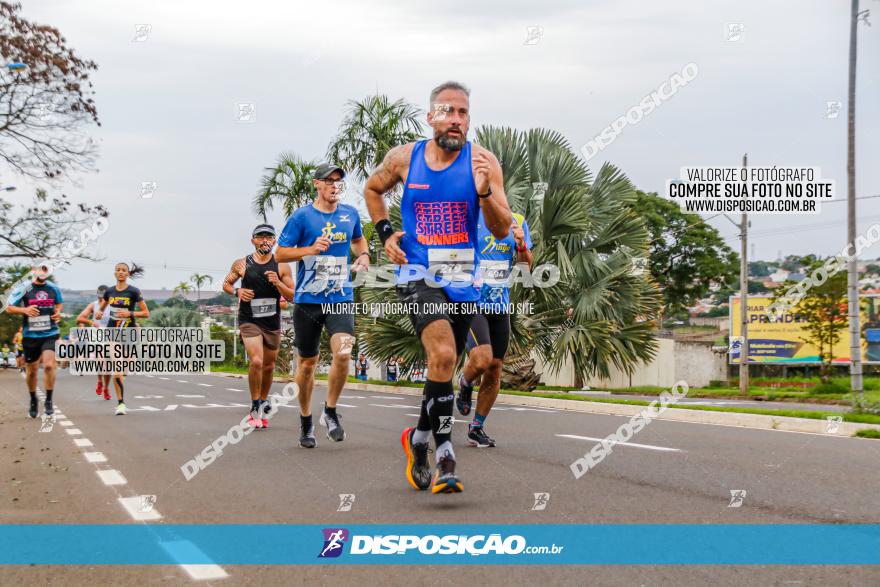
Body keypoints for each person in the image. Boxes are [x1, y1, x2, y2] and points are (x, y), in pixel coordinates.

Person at [363, 81, 512, 494]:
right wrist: (386, 233)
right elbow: (372, 190)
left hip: (463, 278)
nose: (456, 120)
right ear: (430, 117)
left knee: (443, 367)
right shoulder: (404, 159)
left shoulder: (484, 163)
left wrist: (484, 194)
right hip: (418, 274)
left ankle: (420, 439)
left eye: (464, 113)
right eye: (448, 111)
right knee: (445, 353)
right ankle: (445, 451)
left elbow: (501, 230)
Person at [276, 162, 369, 448]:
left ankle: (330, 411)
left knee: (343, 353)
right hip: (308, 300)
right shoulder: (302, 217)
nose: (334, 185)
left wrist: (364, 255)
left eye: (338, 181)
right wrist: (310, 249)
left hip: (340, 297)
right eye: (328, 180)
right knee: (307, 364)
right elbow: (280, 254)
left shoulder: (349, 214)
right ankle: (306, 420)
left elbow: (358, 240)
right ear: (317, 184)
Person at [456, 212, 533, 447]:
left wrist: (521, 245)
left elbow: (526, 267)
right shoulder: (467, 215)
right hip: (473, 301)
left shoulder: (517, 221)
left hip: (500, 305)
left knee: (495, 367)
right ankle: (465, 383)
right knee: (480, 359)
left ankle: (476, 428)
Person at [223, 224, 294, 429]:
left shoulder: (281, 265)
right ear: (253, 240)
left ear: (274, 241)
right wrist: (237, 292)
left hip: (271, 322)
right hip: (249, 319)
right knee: (256, 361)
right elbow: (226, 284)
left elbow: (292, 295)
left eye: (269, 237)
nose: (265, 241)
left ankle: (263, 400)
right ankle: (255, 405)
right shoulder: (242, 264)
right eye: (260, 237)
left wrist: (278, 283)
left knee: (269, 366)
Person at [4, 264, 63, 418]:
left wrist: (58, 313)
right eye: (39, 269)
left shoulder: (53, 288)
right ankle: (33, 399)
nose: (42, 272)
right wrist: (25, 310)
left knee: (49, 365)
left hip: (50, 332)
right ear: (33, 270)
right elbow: (9, 307)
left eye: (45, 269)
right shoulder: (25, 288)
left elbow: (59, 304)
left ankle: (49, 400)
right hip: (30, 335)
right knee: (32, 371)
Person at [95, 263, 150, 415]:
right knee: (117, 370)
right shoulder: (109, 292)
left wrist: (130, 314)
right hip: (113, 333)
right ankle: (120, 403)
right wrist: (99, 313)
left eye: (123, 270)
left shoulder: (134, 291)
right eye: (118, 270)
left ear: (128, 274)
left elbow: (146, 313)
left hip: (129, 334)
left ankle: (121, 381)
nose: (120, 272)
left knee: (125, 370)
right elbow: (102, 307)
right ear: (114, 273)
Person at [76, 285, 112, 399]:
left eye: (104, 295)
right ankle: (99, 381)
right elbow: (79, 318)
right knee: (101, 361)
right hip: (97, 335)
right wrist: (91, 322)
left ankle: (106, 387)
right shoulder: (93, 305)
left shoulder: (113, 306)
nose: (101, 297)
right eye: (99, 294)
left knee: (108, 365)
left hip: (110, 335)